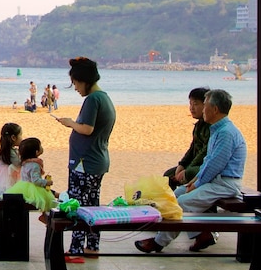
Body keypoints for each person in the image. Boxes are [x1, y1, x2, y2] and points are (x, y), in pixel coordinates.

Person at [136, 89, 246, 254]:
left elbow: (215, 164)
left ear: (215, 109)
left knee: (181, 204)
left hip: (225, 183)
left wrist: (197, 183)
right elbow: (208, 161)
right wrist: (194, 181)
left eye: (205, 106)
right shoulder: (217, 130)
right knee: (177, 195)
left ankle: (158, 243)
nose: (202, 110)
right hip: (215, 181)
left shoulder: (226, 133)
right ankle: (201, 234)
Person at [55, 57, 116, 259]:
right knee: (92, 205)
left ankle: (76, 250)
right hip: (96, 161)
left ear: (84, 80)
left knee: (78, 206)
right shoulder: (104, 98)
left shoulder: (93, 100)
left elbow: (87, 129)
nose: (75, 88)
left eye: (75, 83)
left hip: (85, 163)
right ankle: (92, 246)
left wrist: (70, 123)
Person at [162, 87, 211, 189]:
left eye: (196, 104)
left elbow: (204, 152)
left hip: (205, 166)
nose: (191, 108)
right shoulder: (198, 126)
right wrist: (182, 164)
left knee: (189, 173)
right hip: (193, 165)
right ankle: (172, 202)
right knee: (168, 176)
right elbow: (192, 148)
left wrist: (188, 168)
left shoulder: (211, 127)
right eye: (190, 104)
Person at [3, 137, 57, 214]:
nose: (42, 147)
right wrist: (46, 182)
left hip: (22, 186)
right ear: (37, 152)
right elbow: (35, 181)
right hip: (33, 189)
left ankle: (44, 217)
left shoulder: (25, 162)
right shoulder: (35, 165)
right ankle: (45, 217)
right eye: (40, 146)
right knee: (47, 202)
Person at [0, 122, 22, 194]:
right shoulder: (10, 152)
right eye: (20, 135)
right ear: (13, 137)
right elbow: (18, 163)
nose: (22, 138)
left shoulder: (9, 150)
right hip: (8, 177)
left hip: (7, 175)